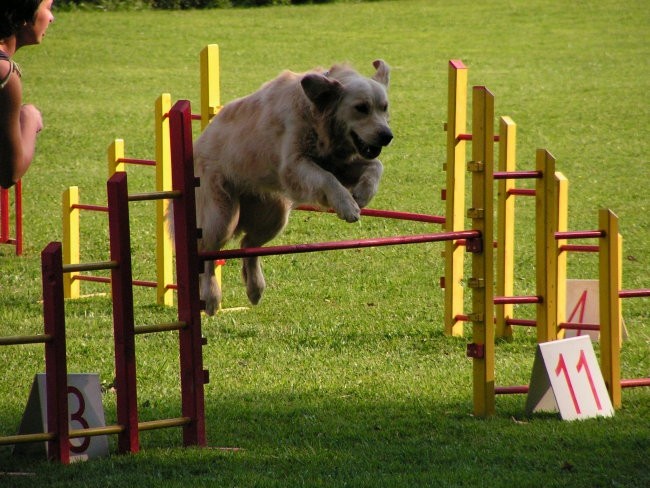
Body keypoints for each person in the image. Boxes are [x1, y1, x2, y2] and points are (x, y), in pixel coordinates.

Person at [0, 0, 54, 189]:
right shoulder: (4, 73)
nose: (51, 18)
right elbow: (9, 173)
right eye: (48, 8)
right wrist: (29, 117)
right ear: (23, 15)